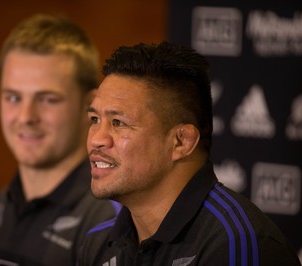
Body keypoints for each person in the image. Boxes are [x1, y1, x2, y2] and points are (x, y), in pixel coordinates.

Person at [79, 42, 301, 265]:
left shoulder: (238, 244)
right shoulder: (97, 242)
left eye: (118, 123)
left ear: (181, 141)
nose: (97, 139)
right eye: (95, 120)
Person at [0, 14, 120, 266]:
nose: (26, 117)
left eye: (48, 99)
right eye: (13, 97)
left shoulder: (110, 223)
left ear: (89, 105)